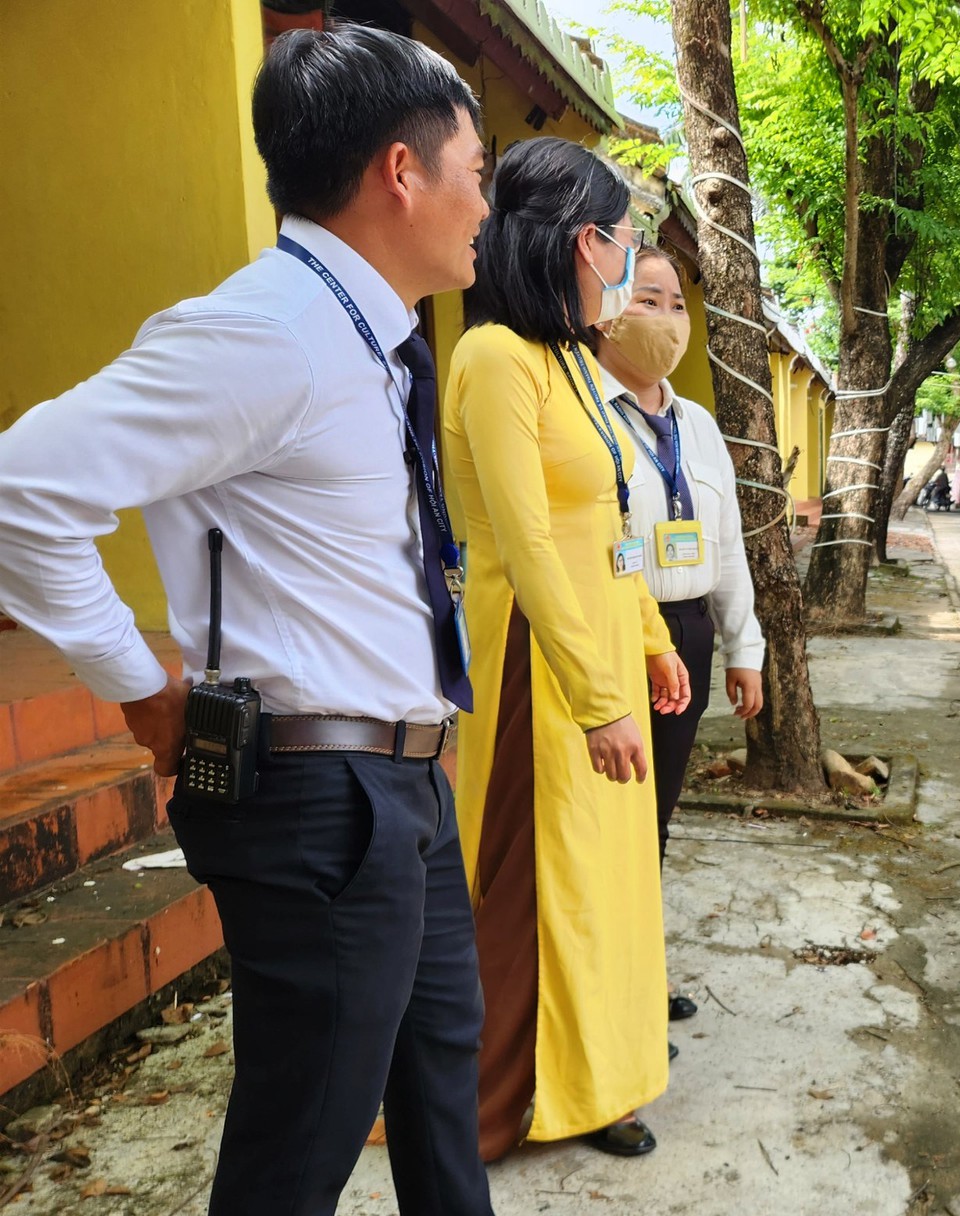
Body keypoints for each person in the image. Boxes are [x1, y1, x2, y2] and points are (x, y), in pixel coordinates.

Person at [0, 26, 492, 1215]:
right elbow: (22, 487)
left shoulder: (362, 338)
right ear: (401, 171)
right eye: (478, 170)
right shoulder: (266, 332)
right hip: (319, 797)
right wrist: (138, 683)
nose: (488, 204)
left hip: (402, 784)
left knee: (437, 1091)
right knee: (301, 1140)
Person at [441, 137, 691, 1162]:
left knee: (608, 891)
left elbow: (614, 529)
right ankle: (489, 1107)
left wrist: (653, 640)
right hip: (535, 681)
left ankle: (600, 1084)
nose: (635, 272)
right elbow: (528, 544)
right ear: (586, 242)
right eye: (628, 246)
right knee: (534, 893)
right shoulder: (493, 358)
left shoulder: (576, 367)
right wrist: (595, 696)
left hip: (603, 673)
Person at [596, 245, 766, 845]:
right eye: (648, 300)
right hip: (612, 636)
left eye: (676, 304)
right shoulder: (581, 411)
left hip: (689, 636)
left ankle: (643, 932)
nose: (667, 318)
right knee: (604, 814)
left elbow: (726, 544)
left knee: (656, 811)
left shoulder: (697, 423)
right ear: (609, 307)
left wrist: (744, 647)